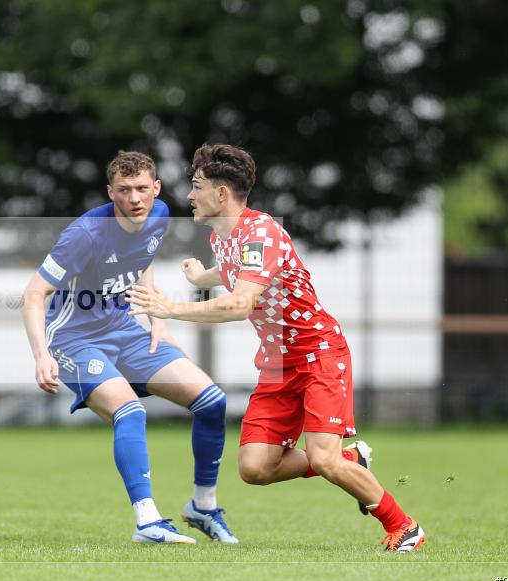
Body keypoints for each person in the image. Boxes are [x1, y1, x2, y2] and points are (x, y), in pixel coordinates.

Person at [126, 143, 426, 552]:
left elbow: (242, 303)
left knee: (324, 458)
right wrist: (203, 278)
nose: (190, 196)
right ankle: (350, 461)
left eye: (197, 187)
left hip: (319, 354)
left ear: (222, 194)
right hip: (278, 365)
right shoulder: (225, 237)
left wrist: (170, 307)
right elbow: (237, 270)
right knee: (255, 468)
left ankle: (404, 525)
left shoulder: (260, 231)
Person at [22, 151, 238, 544]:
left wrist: (158, 321)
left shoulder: (159, 214)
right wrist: (41, 355)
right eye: (124, 190)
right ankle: (148, 522)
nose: (135, 198)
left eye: (142, 188)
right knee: (130, 411)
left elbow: (142, 261)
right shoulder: (84, 235)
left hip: (126, 329)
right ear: (111, 192)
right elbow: (34, 294)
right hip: (75, 339)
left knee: (213, 401)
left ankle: (203, 507)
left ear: (156, 188)